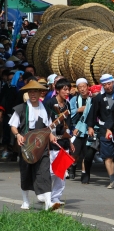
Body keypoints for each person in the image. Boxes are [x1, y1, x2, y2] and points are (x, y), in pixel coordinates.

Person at [9, 80, 59, 210]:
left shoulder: (46, 110)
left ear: (39, 93)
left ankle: (48, 203)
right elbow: (13, 126)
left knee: (44, 171)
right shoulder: (21, 108)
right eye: (30, 91)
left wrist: (52, 135)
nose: (33, 94)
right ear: (28, 93)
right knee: (26, 172)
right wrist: (18, 135)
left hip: (42, 145)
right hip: (26, 143)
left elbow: (49, 127)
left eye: (35, 91)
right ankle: (25, 200)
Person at [43, 77, 73, 205]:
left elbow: (68, 125)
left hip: (64, 141)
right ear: (58, 90)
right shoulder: (49, 103)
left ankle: (56, 197)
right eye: (64, 89)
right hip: (52, 142)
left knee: (61, 172)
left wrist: (70, 141)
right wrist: (49, 136)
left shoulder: (67, 104)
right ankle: (46, 195)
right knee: (51, 171)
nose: (67, 92)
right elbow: (45, 122)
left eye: (68, 89)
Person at [91, 74, 114, 188]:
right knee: (108, 156)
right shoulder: (99, 97)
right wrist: (90, 126)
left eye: (109, 83)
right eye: (105, 85)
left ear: (113, 82)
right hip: (104, 129)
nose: (108, 86)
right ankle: (112, 180)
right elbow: (93, 113)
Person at [70, 78, 96, 184]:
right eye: (79, 87)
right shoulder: (74, 100)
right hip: (77, 128)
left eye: (84, 86)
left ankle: (85, 174)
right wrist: (78, 110)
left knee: (86, 155)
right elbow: (69, 112)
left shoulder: (92, 98)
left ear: (88, 86)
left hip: (88, 129)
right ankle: (73, 167)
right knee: (75, 153)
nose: (82, 89)